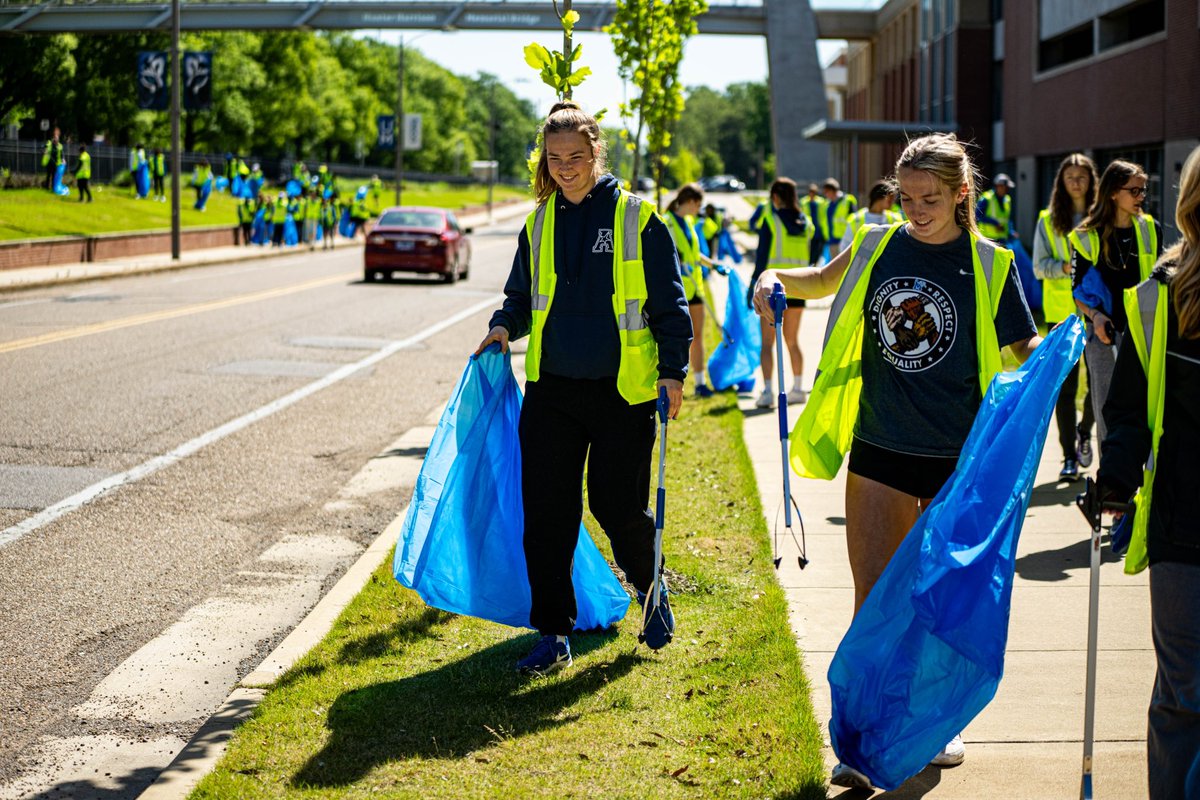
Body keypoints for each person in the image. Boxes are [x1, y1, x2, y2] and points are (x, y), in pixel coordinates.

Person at [752, 133, 1039, 788]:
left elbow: (1025, 348)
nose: (915, 210)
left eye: (930, 199)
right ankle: (866, 732)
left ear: (962, 194)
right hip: (879, 447)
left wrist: (1069, 343)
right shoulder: (880, 243)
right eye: (907, 197)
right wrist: (772, 278)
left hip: (955, 462)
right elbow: (820, 279)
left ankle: (936, 722)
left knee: (939, 601)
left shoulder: (990, 264)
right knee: (875, 599)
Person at [473, 101, 692, 674]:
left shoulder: (637, 218)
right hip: (552, 393)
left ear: (597, 153)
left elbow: (670, 303)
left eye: (576, 156)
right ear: (544, 161)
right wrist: (502, 327)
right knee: (546, 516)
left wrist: (673, 370)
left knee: (618, 509)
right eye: (555, 158)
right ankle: (553, 633)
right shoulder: (538, 222)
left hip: (623, 393)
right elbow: (521, 297)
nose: (566, 167)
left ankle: (651, 593)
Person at [1096, 143, 1200, 800]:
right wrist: (1114, 478)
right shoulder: (1160, 295)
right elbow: (1129, 409)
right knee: (1184, 694)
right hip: (1183, 525)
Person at [1070, 160, 1162, 449]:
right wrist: (1095, 317)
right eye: (1134, 190)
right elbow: (1077, 291)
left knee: (1145, 403)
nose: (1141, 197)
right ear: (1112, 192)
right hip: (1102, 332)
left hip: (1143, 331)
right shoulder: (1086, 236)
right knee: (1107, 406)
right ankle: (1108, 481)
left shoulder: (1150, 229)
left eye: (1143, 190)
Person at [1033, 153, 1098, 480]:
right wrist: (1065, 268)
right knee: (1066, 388)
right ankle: (1069, 457)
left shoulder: (1101, 216)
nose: (1076, 182)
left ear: (1091, 181)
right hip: (1062, 316)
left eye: (1082, 176)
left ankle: (1085, 431)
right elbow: (1038, 267)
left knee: (1099, 386)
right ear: (1061, 182)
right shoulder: (1047, 220)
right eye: (1070, 176)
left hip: (1098, 312)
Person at [751, 178, 815, 410]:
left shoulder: (771, 219)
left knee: (767, 343)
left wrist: (754, 285)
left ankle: (768, 391)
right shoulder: (805, 222)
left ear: (776, 197)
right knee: (792, 340)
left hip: (771, 289)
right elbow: (815, 248)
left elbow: (761, 256)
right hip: (798, 288)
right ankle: (798, 388)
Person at [664, 183, 718, 397]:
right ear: (691, 202)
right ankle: (672, 381)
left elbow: (693, 255)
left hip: (695, 289)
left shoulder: (689, 222)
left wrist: (713, 265)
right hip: (676, 291)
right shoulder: (666, 222)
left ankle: (700, 382)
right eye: (698, 205)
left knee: (697, 337)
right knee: (677, 339)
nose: (699, 209)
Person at [839, 179, 903, 252]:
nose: (893, 202)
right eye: (891, 198)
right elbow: (844, 247)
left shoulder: (895, 219)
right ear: (880, 197)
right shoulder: (856, 219)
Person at [821, 178, 858, 259]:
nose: (825, 194)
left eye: (826, 192)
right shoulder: (827, 204)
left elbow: (854, 220)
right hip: (832, 241)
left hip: (845, 241)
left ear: (832, 190)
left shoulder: (848, 201)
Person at [976, 173, 1015, 243]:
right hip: (987, 239)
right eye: (1005, 187)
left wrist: (1011, 231)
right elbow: (978, 216)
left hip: (1002, 239)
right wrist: (995, 223)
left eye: (1007, 188)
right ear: (998, 186)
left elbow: (1007, 219)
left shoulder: (1007, 199)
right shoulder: (986, 198)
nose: (1006, 190)